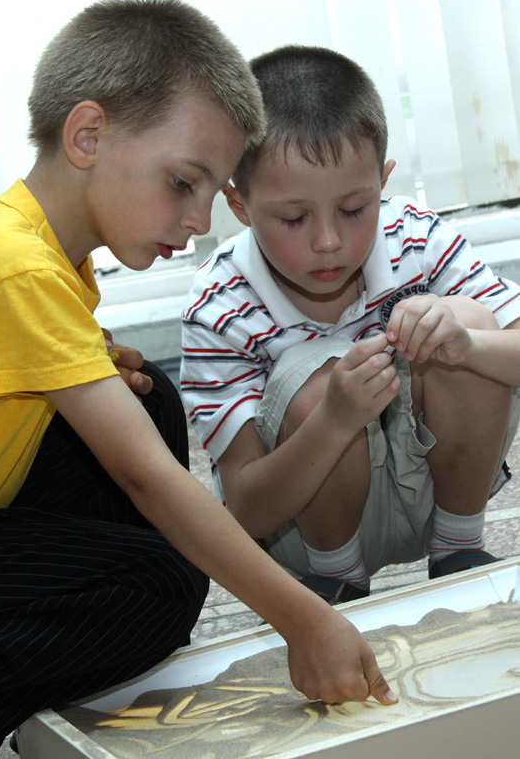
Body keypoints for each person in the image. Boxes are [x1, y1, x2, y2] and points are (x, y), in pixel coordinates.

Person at [0, 1, 399, 759]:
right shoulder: (15, 266)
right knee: (164, 582)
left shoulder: (41, 255)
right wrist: (303, 619)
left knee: (150, 398)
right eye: (183, 183)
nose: (202, 219)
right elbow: (144, 478)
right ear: (87, 136)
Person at [181, 45, 520, 607]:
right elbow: (245, 511)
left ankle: (459, 550)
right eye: (293, 218)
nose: (328, 241)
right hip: (301, 530)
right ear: (239, 206)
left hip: (438, 493)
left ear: (383, 184)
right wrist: (333, 420)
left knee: (466, 323)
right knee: (312, 375)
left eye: (355, 209)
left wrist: (467, 345)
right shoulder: (220, 305)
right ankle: (339, 581)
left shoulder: (414, 236)